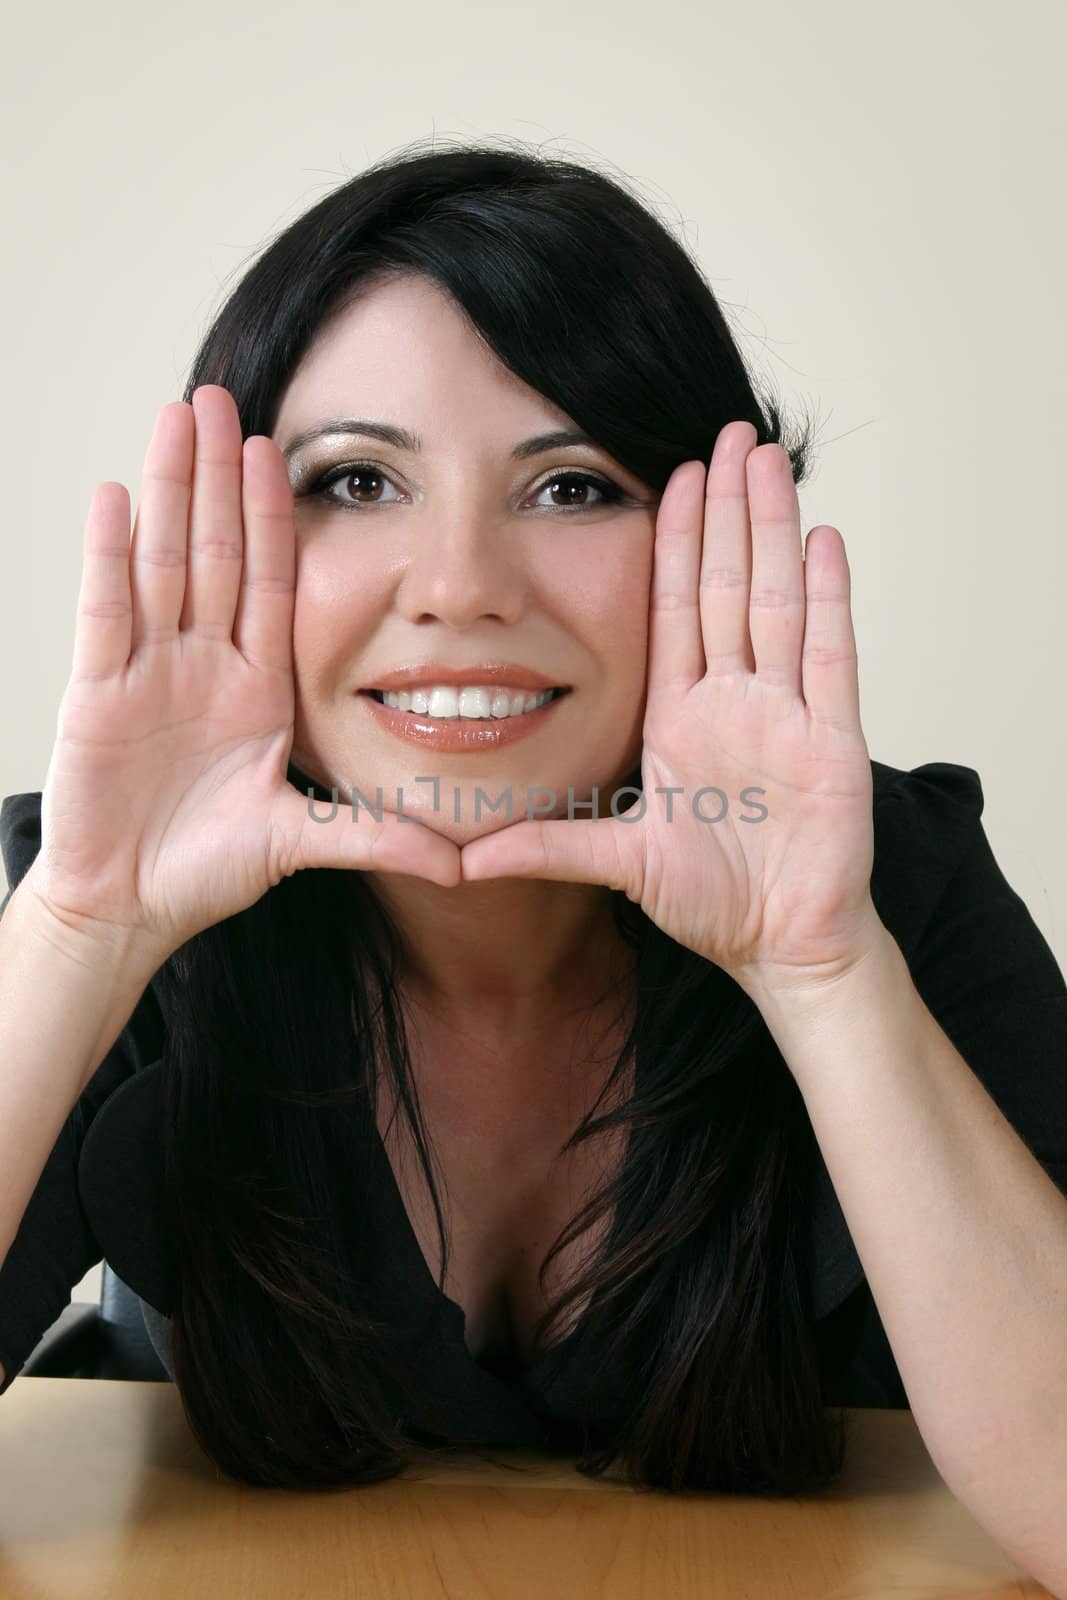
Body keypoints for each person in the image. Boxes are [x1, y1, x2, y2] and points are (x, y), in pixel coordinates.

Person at [2, 139, 1067, 1584]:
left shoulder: (883, 889)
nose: (459, 589)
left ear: (709, 537)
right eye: (359, 481)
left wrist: (819, 969)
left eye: (571, 487)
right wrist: (80, 932)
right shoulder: (93, 884)